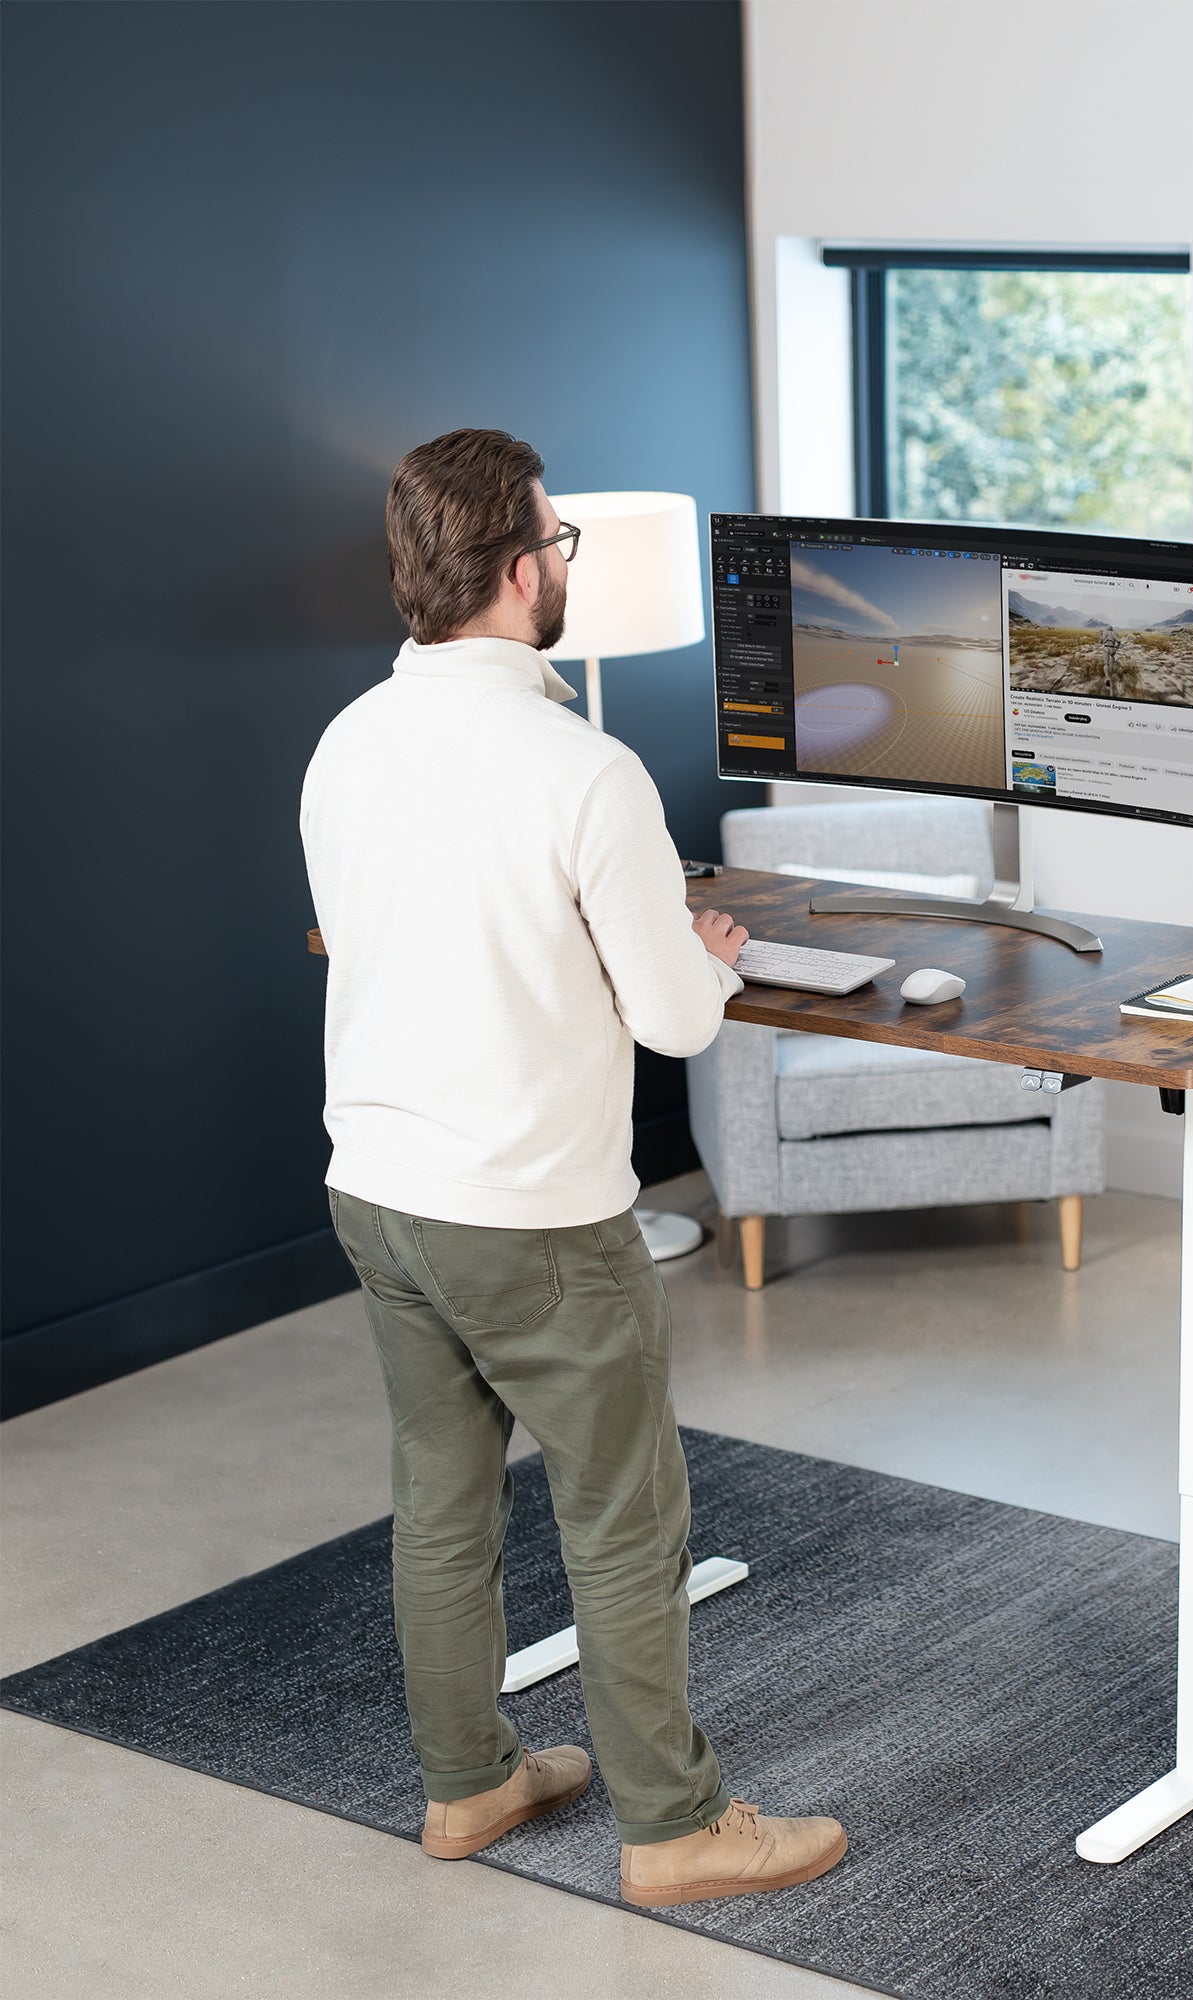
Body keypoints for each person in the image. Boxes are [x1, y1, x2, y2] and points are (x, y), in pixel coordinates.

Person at [300, 428, 846, 1908]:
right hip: (531, 1216)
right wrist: (706, 959)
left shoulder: (348, 740)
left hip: (381, 1192)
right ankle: (674, 1828)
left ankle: (470, 1785)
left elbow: (379, 939)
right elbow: (674, 1020)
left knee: (442, 1498)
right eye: (562, 543)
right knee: (621, 1515)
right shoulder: (580, 771)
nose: (565, 566)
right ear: (522, 567)